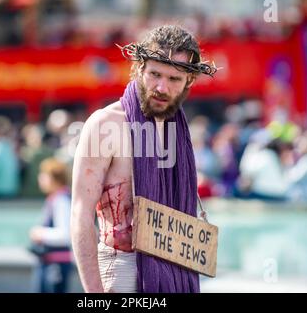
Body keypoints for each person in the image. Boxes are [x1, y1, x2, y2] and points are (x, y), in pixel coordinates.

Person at [71, 25, 218, 293]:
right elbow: (80, 215)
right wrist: (95, 294)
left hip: (176, 273)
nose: (161, 87)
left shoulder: (178, 131)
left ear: (190, 81)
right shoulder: (106, 125)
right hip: (122, 270)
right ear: (139, 68)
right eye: (154, 74)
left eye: (174, 79)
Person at [29, 158, 72, 293]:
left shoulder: (61, 200)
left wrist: (40, 233)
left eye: (44, 175)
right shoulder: (56, 198)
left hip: (55, 263)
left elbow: (65, 234)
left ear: (55, 178)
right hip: (49, 261)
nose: (40, 178)